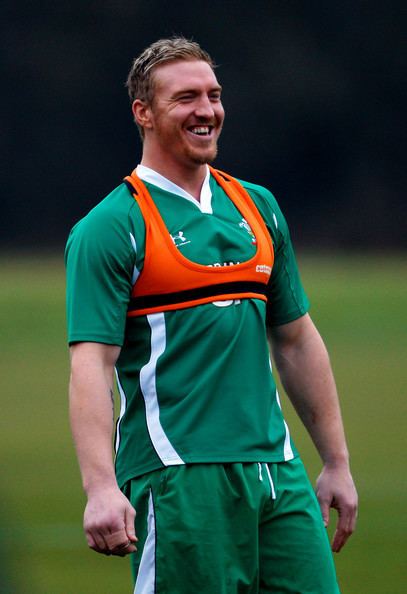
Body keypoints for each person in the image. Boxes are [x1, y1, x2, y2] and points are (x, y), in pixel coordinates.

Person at [65, 37, 358, 594]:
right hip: (178, 477)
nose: (207, 110)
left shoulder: (257, 205)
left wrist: (336, 462)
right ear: (143, 113)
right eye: (186, 98)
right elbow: (91, 365)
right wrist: (100, 486)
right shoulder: (110, 227)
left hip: (278, 472)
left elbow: (296, 340)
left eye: (214, 95)